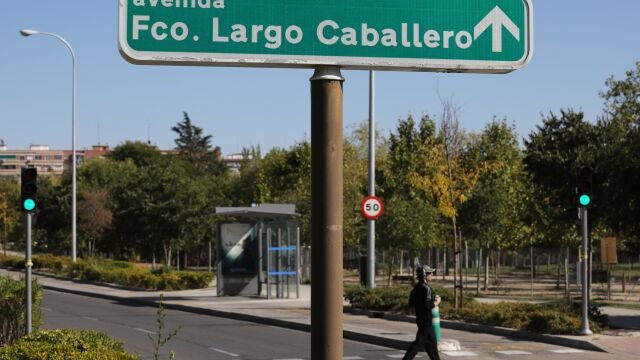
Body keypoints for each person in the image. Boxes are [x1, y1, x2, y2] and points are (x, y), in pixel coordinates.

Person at [402, 265, 441, 360]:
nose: (432, 274)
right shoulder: (426, 288)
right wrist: (437, 302)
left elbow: (411, 304)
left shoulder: (416, 288)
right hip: (427, 320)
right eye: (429, 273)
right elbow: (428, 305)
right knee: (418, 344)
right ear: (424, 275)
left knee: (431, 345)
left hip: (420, 319)